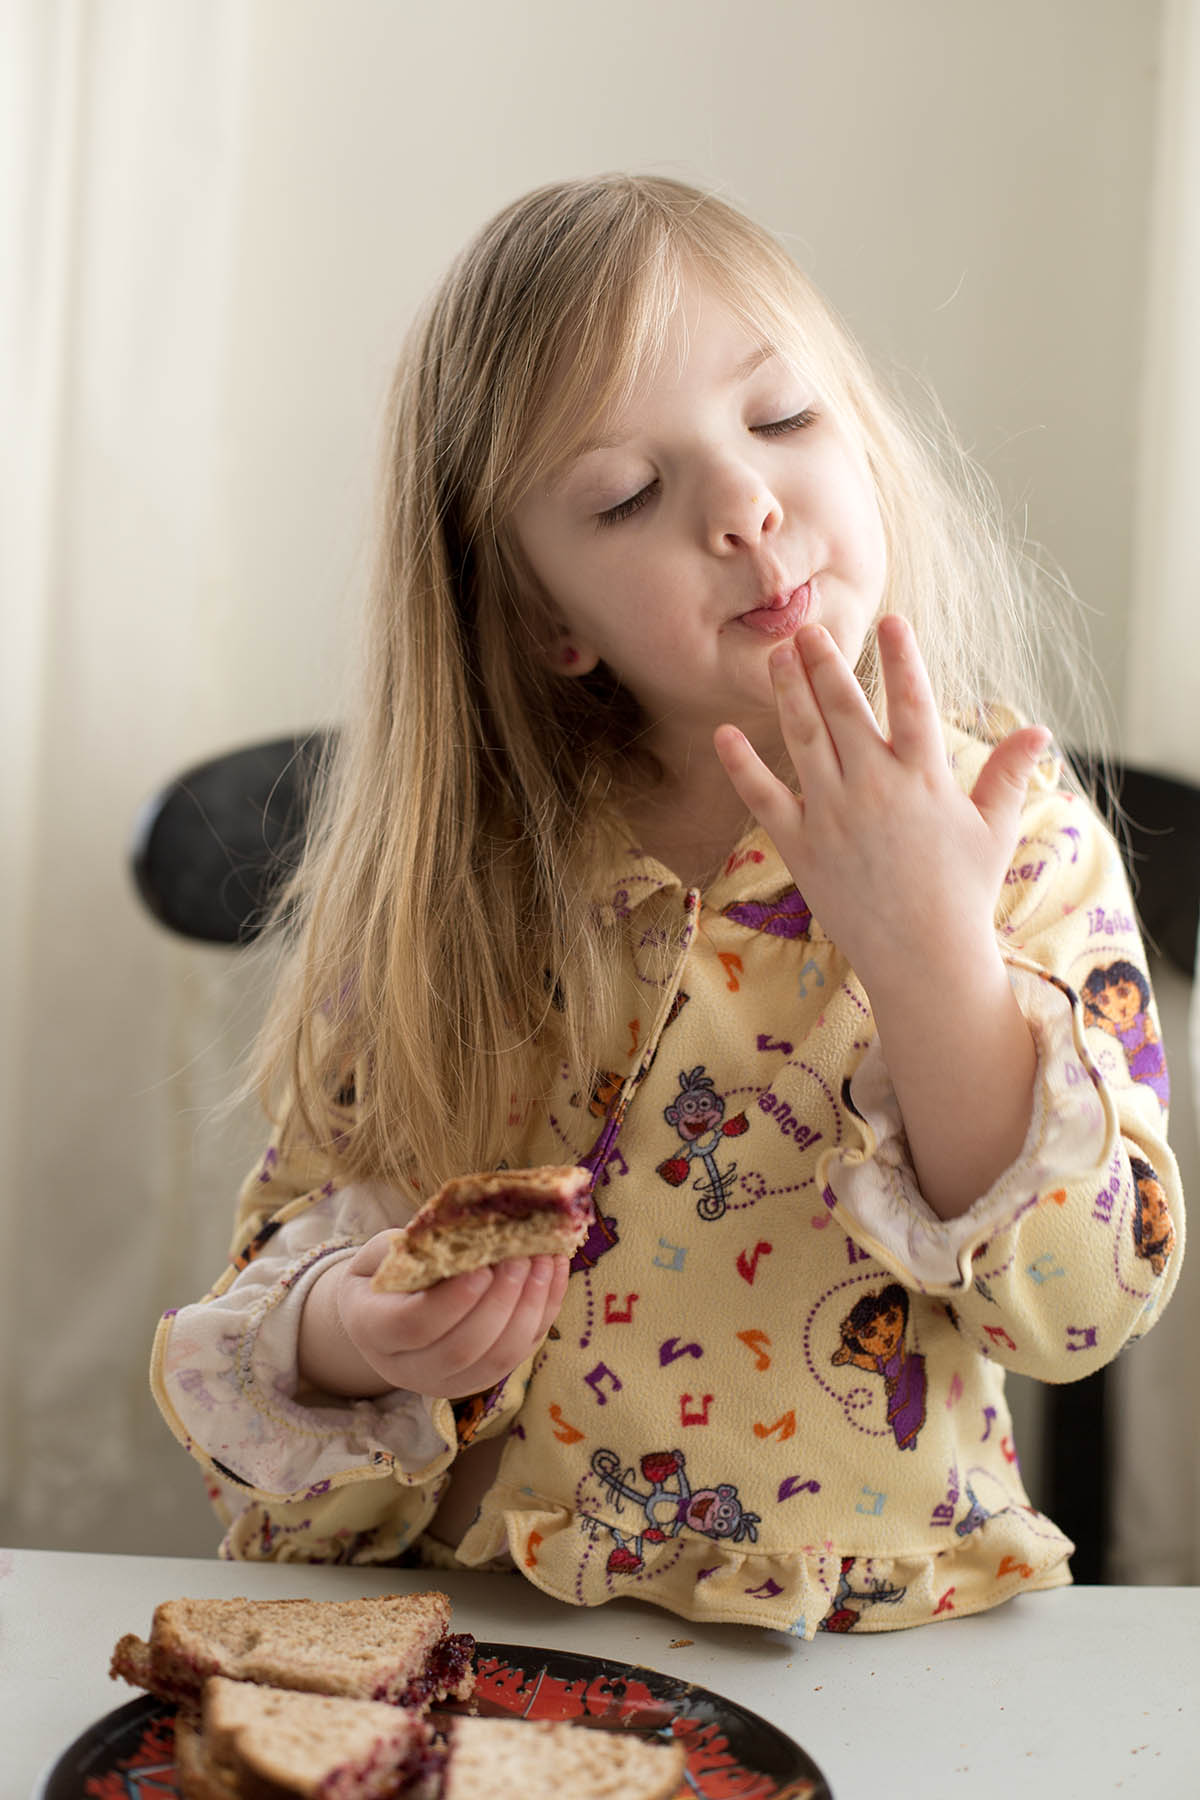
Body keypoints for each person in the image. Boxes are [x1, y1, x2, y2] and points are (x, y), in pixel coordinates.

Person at [152, 174, 1184, 1636]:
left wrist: (930, 957)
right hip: (492, 1634)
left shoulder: (1008, 831)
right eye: (628, 494)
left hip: (859, 1656)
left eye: (783, 421)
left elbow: (1086, 1302)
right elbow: (276, 1304)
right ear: (543, 618)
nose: (745, 504)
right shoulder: (460, 891)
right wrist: (357, 1337)